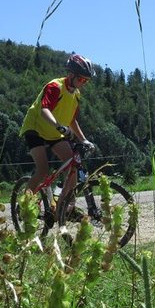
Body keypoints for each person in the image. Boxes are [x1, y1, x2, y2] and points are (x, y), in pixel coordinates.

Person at [19, 53, 96, 207]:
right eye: (81, 79)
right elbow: (45, 110)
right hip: (35, 128)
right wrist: (59, 126)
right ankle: (24, 206)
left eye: (86, 80)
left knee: (72, 166)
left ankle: (63, 208)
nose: (83, 83)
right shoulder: (55, 87)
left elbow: (72, 120)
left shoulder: (76, 95)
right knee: (42, 171)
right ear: (71, 74)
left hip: (54, 132)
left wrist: (84, 140)